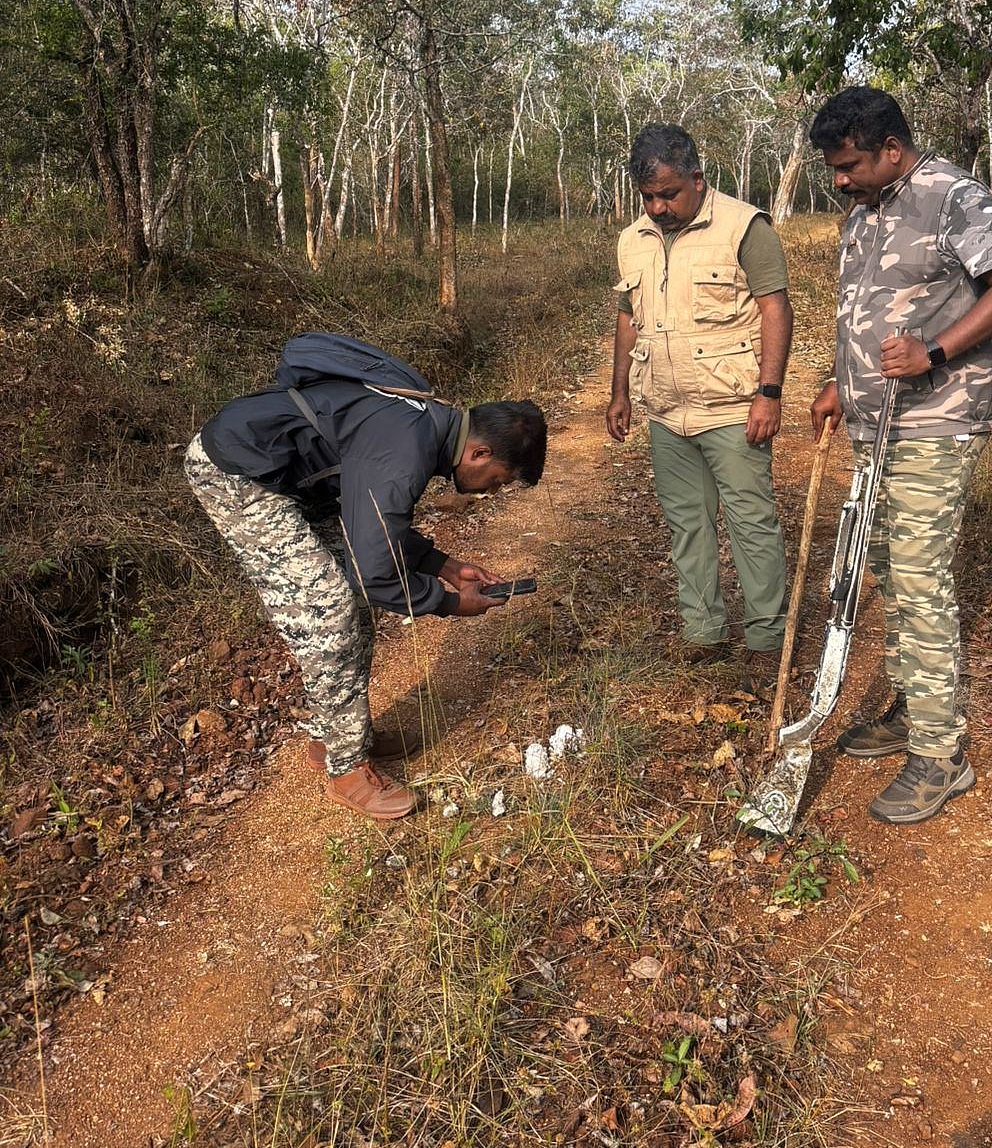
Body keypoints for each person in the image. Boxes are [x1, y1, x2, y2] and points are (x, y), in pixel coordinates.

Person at [185, 334, 547, 821]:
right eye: (499, 480)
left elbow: (373, 521)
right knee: (330, 612)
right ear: (479, 453)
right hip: (237, 472)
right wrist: (448, 603)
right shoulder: (407, 448)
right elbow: (375, 570)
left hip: (291, 479)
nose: (491, 492)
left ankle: (338, 737)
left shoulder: (425, 421)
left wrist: (444, 565)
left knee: (353, 608)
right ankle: (347, 770)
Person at [809, 86, 992, 825]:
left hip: (937, 422)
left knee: (918, 577)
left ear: (891, 149)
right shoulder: (864, 211)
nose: (839, 178)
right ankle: (912, 706)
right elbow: (865, 311)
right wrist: (838, 382)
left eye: (849, 164)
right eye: (834, 167)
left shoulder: (952, 196)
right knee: (886, 569)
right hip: (873, 424)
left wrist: (935, 350)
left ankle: (942, 754)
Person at [606, 124, 793, 695]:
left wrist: (769, 393)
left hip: (733, 407)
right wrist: (619, 391)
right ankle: (704, 629)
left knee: (751, 523)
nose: (658, 208)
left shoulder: (744, 227)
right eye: (648, 197)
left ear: (697, 179)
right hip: (667, 410)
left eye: (668, 194)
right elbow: (628, 317)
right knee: (687, 524)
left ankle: (767, 638)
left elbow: (775, 308)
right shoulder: (633, 239)